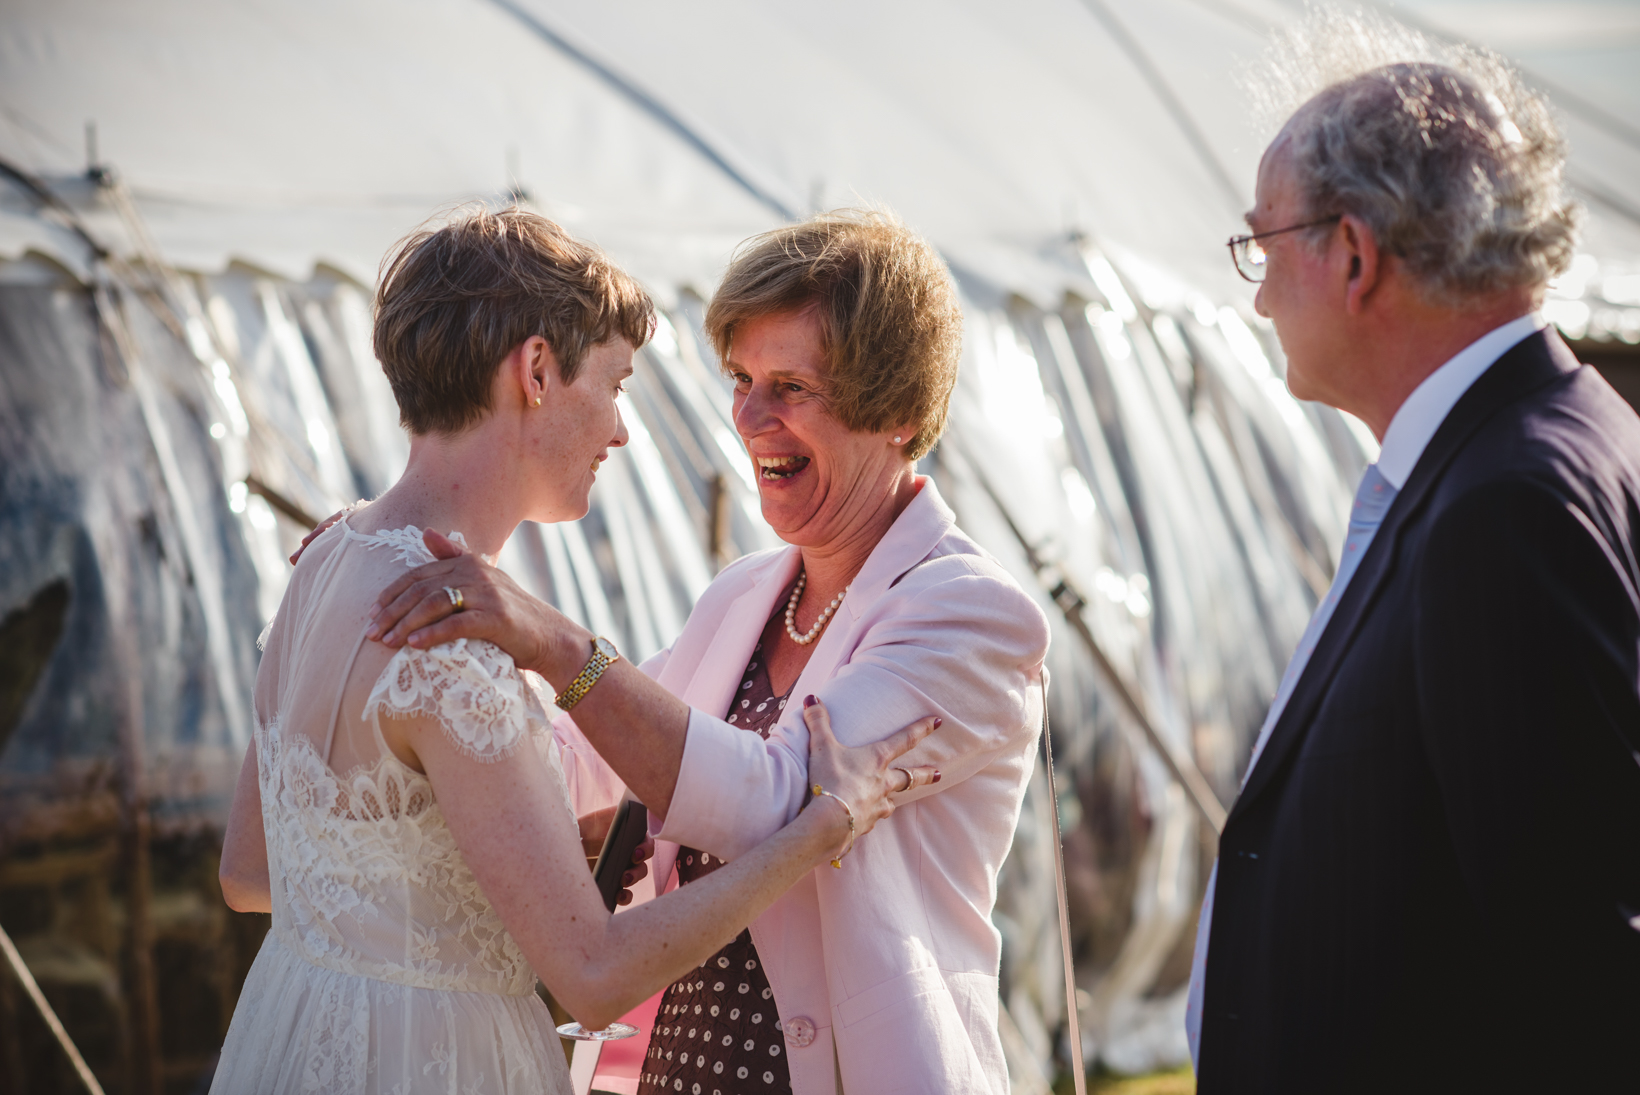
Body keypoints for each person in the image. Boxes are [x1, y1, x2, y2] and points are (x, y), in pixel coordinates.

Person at [212, 208, 936, 1095]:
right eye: (617, 383)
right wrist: (825, 824)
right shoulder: (449, 641)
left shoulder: (321, 569)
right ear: (539, 370)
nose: (623, 429)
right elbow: (592, 974)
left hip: (293, 1038)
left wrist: (484, 868)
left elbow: (250, 871)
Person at [359, 210, 1052, 1094]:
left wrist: (555, 641)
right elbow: (572, 767)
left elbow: (779, 802)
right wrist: (376, 612)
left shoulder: (973, 614)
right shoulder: (746, 594)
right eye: (742, 378)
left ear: (900, 412)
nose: (751, 417)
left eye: (792, 385)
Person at [1185, 15, 1640, 1094]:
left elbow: (1576, 964)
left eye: (1261, 244)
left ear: (1351, 253)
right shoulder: (1523, 447)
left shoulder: (1507, 504)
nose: (1252, 295)